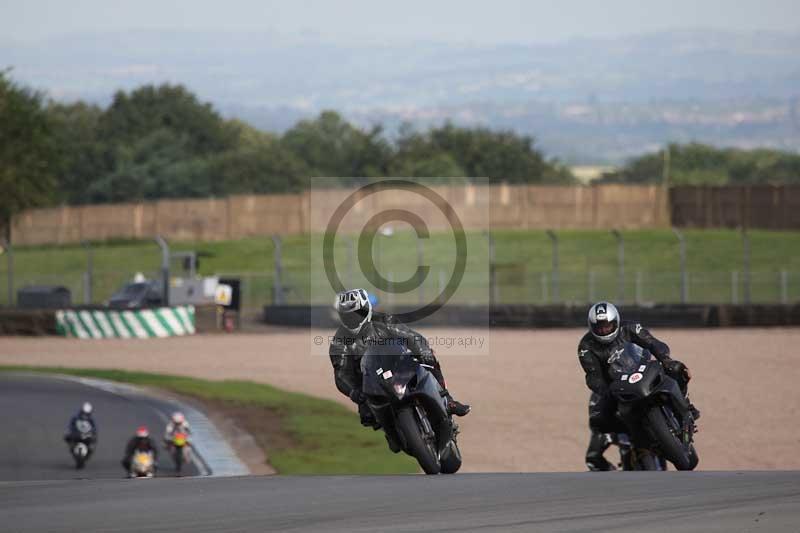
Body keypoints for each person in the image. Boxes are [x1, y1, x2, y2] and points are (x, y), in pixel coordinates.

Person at [577, 301, 700, 471]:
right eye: (600, 327)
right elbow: (593, 376)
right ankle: (638, 438)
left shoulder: (630, 328)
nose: (604, 330)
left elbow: (653, 343)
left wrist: (665, 359)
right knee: (600, 418)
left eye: (608, 326)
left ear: (616, 322)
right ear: (592, 327)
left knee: (678, 369)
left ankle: (686, 406)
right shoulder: (586, 347)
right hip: (617, 385)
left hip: (642, 368)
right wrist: (606, 391)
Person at [329, 288, 470, 428]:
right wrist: (353, 392)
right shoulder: (340, 341)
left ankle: (448, 400)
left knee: (428, 358)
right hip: (369, 384)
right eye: (347, 316)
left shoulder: (384, 320)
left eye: (356, 314)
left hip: (399, 366)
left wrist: (423, 351)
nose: (352, 319)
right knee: (368, 417)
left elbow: (411, 336)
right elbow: (341, 374)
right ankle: (390, 431)